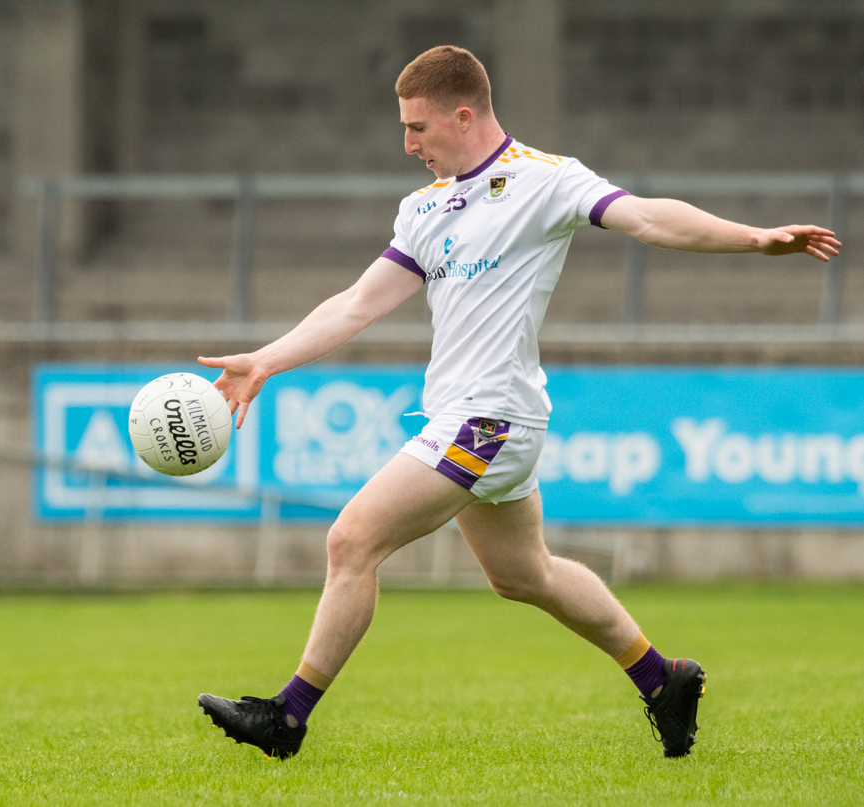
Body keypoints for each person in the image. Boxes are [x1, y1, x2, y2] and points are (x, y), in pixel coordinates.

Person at [196, 46, 840, 761]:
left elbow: (649, 218)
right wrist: (266, 360)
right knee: (523, 575)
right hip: (468, 416)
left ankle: (286, 715)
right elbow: (356, 304)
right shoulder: (423, 207)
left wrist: (753, 239)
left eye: (417, 127)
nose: (407, 143)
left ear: (462, 115)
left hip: (489, 417)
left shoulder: (543, 181)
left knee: (352, 540)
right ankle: (662, 677)